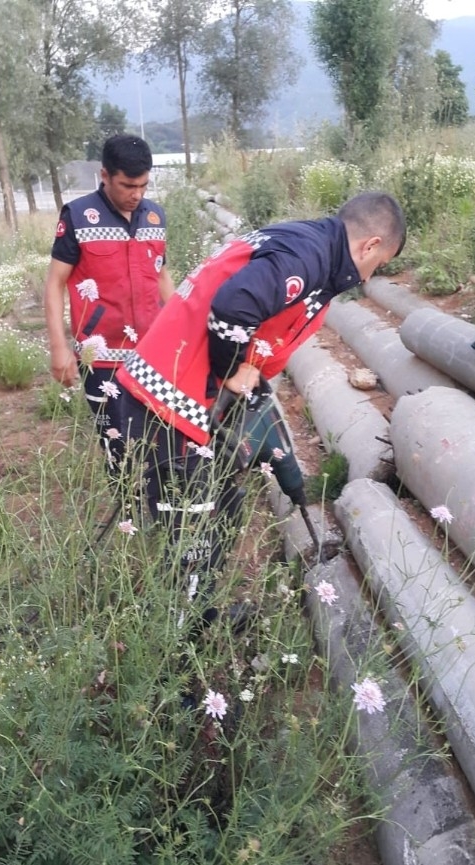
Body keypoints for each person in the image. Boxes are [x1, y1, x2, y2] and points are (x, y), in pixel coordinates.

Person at [116, 190, 406, 627]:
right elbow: (234, 308)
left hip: (187, 397)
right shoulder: (307, 258)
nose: (369, 276)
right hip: (171, 401)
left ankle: (201, 612)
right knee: (191, 532)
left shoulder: (313, 251)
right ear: (370, 246)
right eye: (377, 265)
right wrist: (232, 370)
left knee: (223, 508)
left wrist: (251, 378)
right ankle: (170, 671)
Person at [44, 133, 175, 474]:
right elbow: (55, 283)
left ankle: (157, 510)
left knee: (161, 441)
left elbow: (161, 276)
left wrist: (180, 331)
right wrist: (59, 347)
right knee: (118, 448)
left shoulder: (155, 219)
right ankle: (127, 515)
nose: (137, 194)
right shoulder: (78, 216)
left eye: (144, 186)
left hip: (152, 354)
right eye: (128, 185)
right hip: (102, 360)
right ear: (105, 176)